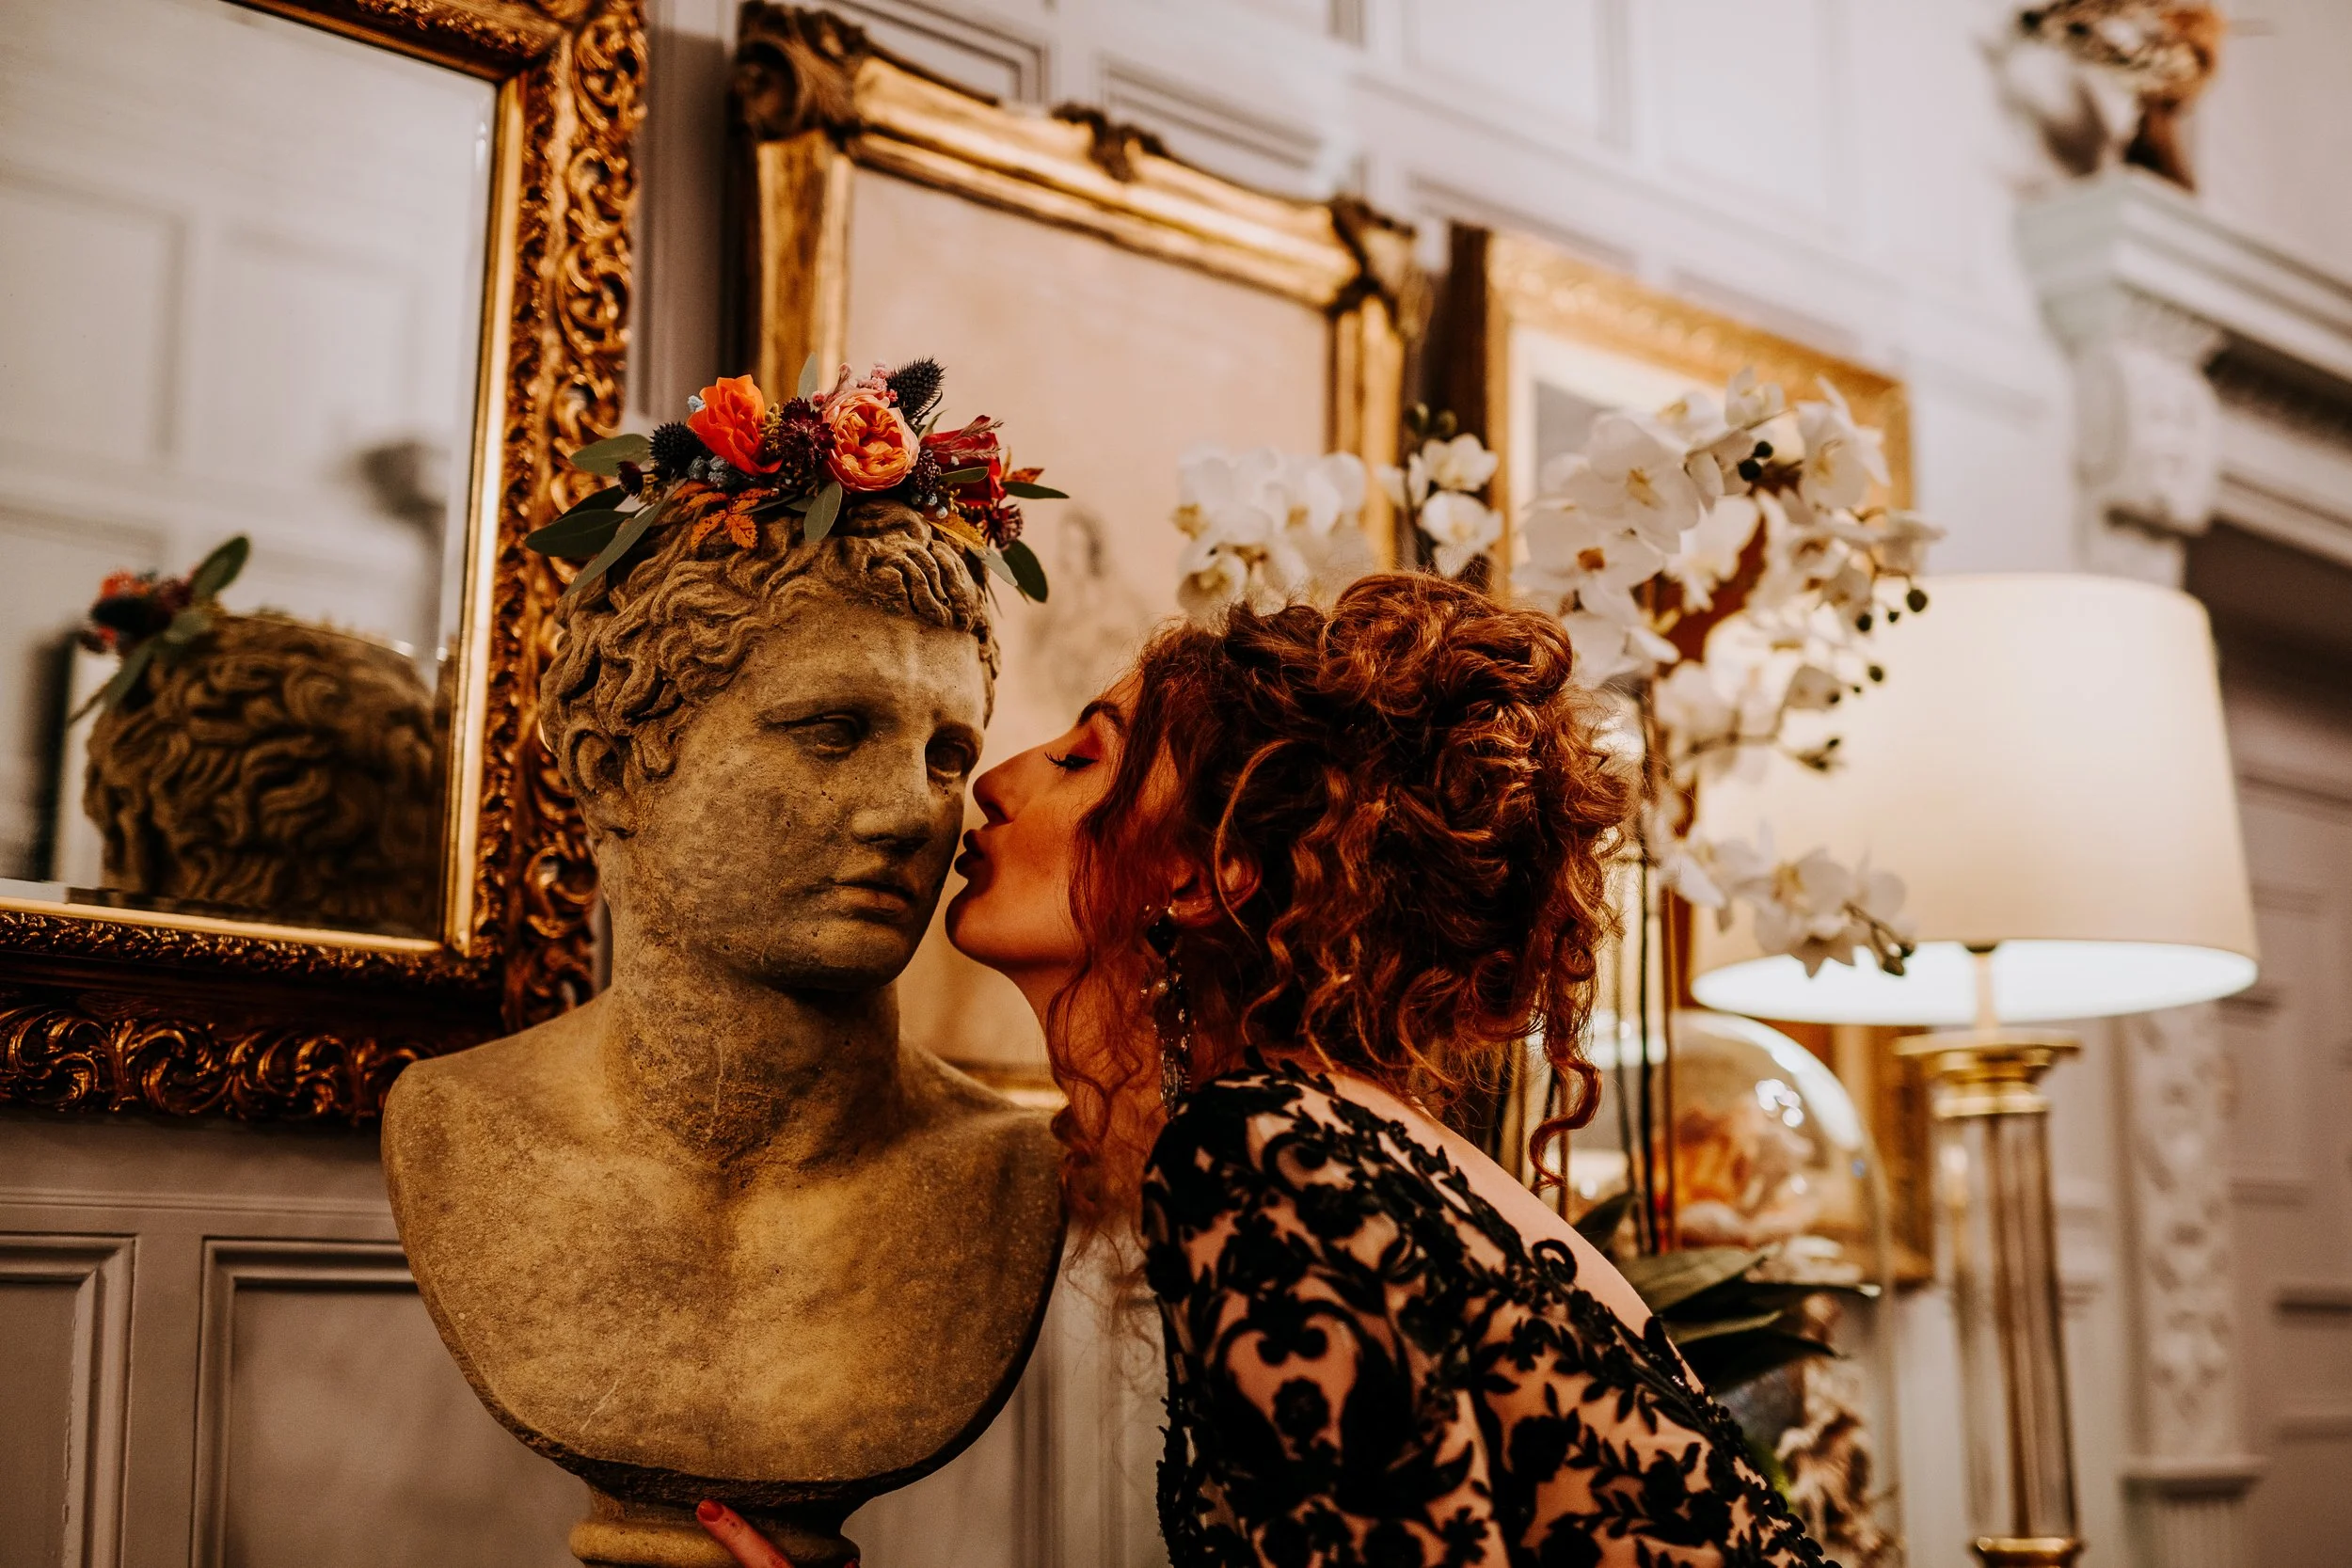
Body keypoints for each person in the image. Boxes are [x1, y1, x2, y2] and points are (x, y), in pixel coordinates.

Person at [700, 573, 1834, 1567]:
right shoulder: (1334, 1141)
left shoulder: (1268, 1152)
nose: (994, 780)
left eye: (1082, 757)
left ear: (1205, 877)